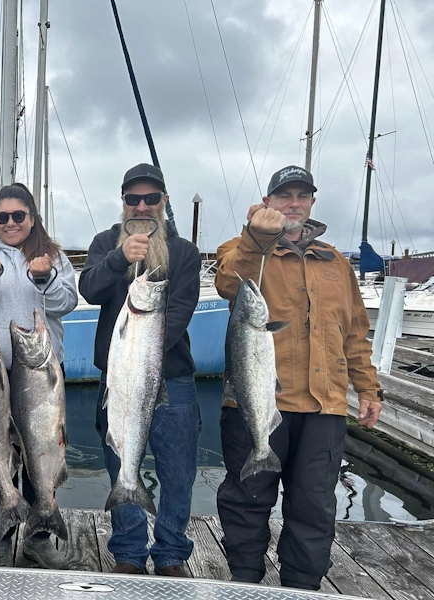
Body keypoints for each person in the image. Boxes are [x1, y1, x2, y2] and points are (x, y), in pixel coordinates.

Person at [214, 165, 383, 590]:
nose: (293, 202)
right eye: (284, 195)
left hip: (324, 407)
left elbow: (355, 332)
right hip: (257, 403)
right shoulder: (243, 248)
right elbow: (229, 284)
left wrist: (367, 388)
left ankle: (301, 589)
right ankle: (245, 583)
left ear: (311, 203)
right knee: (246, 500)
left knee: (314, 507)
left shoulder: (336, 263)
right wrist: (257, 236)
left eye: (301, 195)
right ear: (268, 202)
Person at [79, 164, 201, 577]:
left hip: (173, 379)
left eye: (152, 198)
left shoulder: (183, 252)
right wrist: (119, 258)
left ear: (164, 201)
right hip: (117, 380)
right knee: (121, 462)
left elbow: (181, 312)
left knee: (179, 470)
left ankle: (171, 554)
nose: (143, 205)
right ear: (123, 202)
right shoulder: (104, 243)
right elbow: (90, 289)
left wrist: (142, 355)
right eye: (134, 199)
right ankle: (129, 552)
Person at [0, 182, 78, 568]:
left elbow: (66, 304)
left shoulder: (52, 256)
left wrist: (43, 278)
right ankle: (2, 533)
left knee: (41, 450)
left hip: (40, 372)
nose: (9, 223)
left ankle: (39, 536)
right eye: (1, 217)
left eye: (17, 216)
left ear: (31, 217)